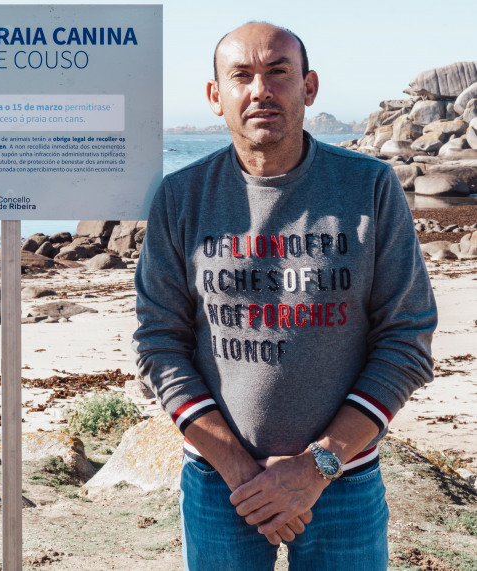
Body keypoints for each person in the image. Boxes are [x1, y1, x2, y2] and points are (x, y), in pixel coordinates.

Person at [133, 22, 437, 569]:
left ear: (309, 86)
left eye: (278, 72)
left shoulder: (370, 187)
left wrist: (315, 467)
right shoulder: (181, 197)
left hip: (344, 479)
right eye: (241, 76)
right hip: (220, 483)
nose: (260, 90)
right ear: (214, 96)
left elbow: (406, 340)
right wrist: (241, 472)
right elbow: (159, 344)